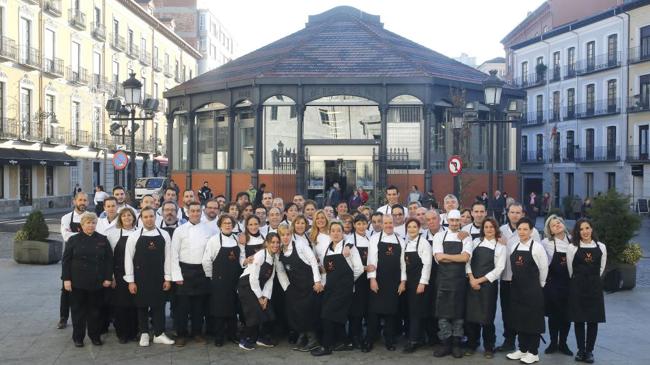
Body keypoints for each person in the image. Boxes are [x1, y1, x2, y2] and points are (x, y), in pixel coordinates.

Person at [123, 207, 175, 347]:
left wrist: (168, 278)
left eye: (151, 216)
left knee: (159, 305)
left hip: (159, 277)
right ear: (141, 219)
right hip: (140, 277)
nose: (149, 219)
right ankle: (144, 333)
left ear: (155, 217)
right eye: (145, 217)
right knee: (142, 306)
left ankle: (159, 334)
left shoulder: (164, 235)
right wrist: (130, 281)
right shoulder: (134, 236)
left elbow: (168, 258)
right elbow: (128, 259)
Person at [311, 221, 363, 356]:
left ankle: (326, 346)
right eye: (333, 230)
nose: (335, 233)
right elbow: (327, 271)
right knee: (336, 316)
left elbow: (358, 269)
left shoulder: (349, 248)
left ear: (342, 233)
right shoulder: (328, 249)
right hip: (330, 288)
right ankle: (345, 343)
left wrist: (348, 282)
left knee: (327, 315)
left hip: (344, 289)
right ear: (329, 233)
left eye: (338, 230)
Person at [62, 212, 113, 347]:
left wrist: (108, 277)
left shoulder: (103, 239)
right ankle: (78, 338)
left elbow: (109, 261)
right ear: (82, 225)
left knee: (95, 311)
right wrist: (66, 279)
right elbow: (66, 261)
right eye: (88, 223)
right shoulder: (73, 240)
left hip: (97, 282)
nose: (90, 225)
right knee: (78, 312)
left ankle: (95, 336)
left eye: (93, 223)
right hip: (77, 282)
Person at [498, 202, 541, 352]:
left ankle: (525, 344)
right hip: (506, 278)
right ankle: (508, 340)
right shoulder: (501, 230)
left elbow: (538, 258)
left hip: (525, 281)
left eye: (518, 212)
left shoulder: (532, 231)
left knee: (523, 312)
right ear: (507, 213)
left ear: (523, 214)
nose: (515, 215)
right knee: (506, 311)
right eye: (512, 212)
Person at [506, 217, 548, 365]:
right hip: (517, 289)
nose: (522, 232)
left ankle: (533, 352)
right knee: (519, 319)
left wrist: (540, 285)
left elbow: (543, 268)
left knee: (533, 321)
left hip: (533, 290)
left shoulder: (537, 247)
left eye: (525, 229)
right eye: (520, 229)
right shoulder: (514, 247)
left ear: (531, 231)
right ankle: (522, 349)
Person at [432, 209, 472, 358]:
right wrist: (457, 257)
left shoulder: (465, 238)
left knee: (458, 314)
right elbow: (439, 258)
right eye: (452, 220)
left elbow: (466, 258)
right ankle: (446, 343)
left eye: (457, 220)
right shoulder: (439, 236)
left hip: (460, 281)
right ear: (447, 220)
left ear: (460, 221)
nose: (454, 223)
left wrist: (447, 257)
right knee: (442, 314)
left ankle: (456, 344)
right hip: (443, 281)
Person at [363, 214, 406, 353]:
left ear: (394, 224)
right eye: (386, 223)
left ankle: (389, 340)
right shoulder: (375, 238)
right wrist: (372, 279)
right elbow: (372, 260)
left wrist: (402, 282)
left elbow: (403, 264)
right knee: (373, 313)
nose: (388, 225)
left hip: (394, 282)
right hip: (378, 280)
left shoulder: (400, 240)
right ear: (382, 224)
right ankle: (369, 340)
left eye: (390, 223)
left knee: (391, 313)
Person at [276, 224, 322, 352]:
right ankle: (303, 336)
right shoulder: (279, 252)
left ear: (291, 235)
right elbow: (280, 271)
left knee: (308, 312)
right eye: (282, 235)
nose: (285, 237)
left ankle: (313, 340)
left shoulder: (300, 245)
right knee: (297, 313)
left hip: (309, 285)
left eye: (288, 234)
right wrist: (287, 287)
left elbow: (313, 261)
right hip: (294, 287)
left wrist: (317, 281)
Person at [171, 202, 212, 347]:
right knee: (182, 307)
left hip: (201, 271)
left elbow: (211, 253)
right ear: (187, 212)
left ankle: (197, 332)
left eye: (198, 211)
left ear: (201, 212)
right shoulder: (180, 230)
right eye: (192, 211)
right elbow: (174, 254)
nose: (195, 213)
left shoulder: (208, 230)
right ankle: (181, 334)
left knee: (198, 306)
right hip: (184, 270)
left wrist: (209, 274)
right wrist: (176, 275)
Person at [464, 217, 506, 358]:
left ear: (496, 229)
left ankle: (489, 346)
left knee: (487, 318)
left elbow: (498, 269)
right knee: (471, 316)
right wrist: (471, 279)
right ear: (483, 229)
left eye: (491, 227)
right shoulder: (475, 242)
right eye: (486, 227)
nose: (489, 229)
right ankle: (472, 343)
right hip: (472, 283)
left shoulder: (500, 247)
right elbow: (467, 261)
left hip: (488, 287)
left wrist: (479, 281)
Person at [202, 215, 246, 347]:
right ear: (220, 225)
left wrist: (245, 262)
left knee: (232, 308)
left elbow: (241, 258)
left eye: (230, 223)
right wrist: (211, 277)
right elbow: (206, 260)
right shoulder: (214, 240)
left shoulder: (236, 239)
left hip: (234, 279)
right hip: (218, 281)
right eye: (225, 223)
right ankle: (219, 336)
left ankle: (233, 334)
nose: (228, 225)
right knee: (219, 309)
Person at [567, 218, 607, 364]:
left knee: (592, 320)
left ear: (592, 229)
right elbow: (570, 269)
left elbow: (601, 268)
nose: (585, 231)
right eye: (581, 229)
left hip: (594, 287)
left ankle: (589, 351)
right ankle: (580, 350)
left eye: (587, 228)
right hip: (577, 286)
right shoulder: (572, 247)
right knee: (579, 320)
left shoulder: (601, 247)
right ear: (577, 232)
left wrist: (593, 279)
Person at [237, 232, 281, 350]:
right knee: (254, 313)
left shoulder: (274, 257)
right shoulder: (260, 255)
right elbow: (253, 278)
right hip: (246, 286)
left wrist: (266, 297)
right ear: (267, 243)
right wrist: (259, 297)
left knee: (269, 312)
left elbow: (270, 280)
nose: (275, 245)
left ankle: (261, 338)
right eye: (273, 242)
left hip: (259, 287)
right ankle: (245, 339)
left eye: (277, 242)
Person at [541, 215, 573, 356]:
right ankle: (553, 343)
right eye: (553, 225)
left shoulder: (573, 241)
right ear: (550, 230)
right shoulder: (545, 243)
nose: (557, 225)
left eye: (559, 222)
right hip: (553, 284)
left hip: (569, 284)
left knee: (566, 315)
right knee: (554, 316)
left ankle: (563, 343)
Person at [106, 208, 139, 344]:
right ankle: (122, 333)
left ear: (134, 218)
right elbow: (109, 258)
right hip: (119, 274)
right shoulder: (113, 234)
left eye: (129, 215)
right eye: (124, 216)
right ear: (120, 218)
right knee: (120, 305)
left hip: (137, 274)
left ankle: (134, 332)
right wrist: (112, 276)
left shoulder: (139, 232)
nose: (127, 218)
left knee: (135, 304)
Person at [58, 191, 89, 329]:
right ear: (74, 202)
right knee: (66, 289)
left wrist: (77, 235)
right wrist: (85, 235)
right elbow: (66, 236)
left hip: (88, 258)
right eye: (80, 200)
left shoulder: (91, 217)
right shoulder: (66, 218)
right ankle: (63, 317)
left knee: (87, 288)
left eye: (85, 200)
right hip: (71, 258)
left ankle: (87, 317)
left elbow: (95, 234)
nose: (82, 202)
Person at [402, 218, 432, 354]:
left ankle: (414, 340)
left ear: (419, 228)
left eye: (414, 227)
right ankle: (419, 337)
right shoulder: (406, 243)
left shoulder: (424, 243)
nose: (412, 229)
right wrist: (404, 281)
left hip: (420, 283)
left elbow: (427, 264)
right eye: (409, 227)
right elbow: (403, 264)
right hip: (409, 282)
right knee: (412, 310)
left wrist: (422, 282)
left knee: (416, 312)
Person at [346, 215, 372, 348]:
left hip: (369, 278)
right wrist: (364, 268)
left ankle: (366, 335)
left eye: (364, 224)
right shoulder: (350, 240)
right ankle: (354, 336)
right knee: (356, 310)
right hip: (357, 279)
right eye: (359, 224)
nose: (362, 226)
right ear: (354, 225)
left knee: (366, 308)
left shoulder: (370, 239)